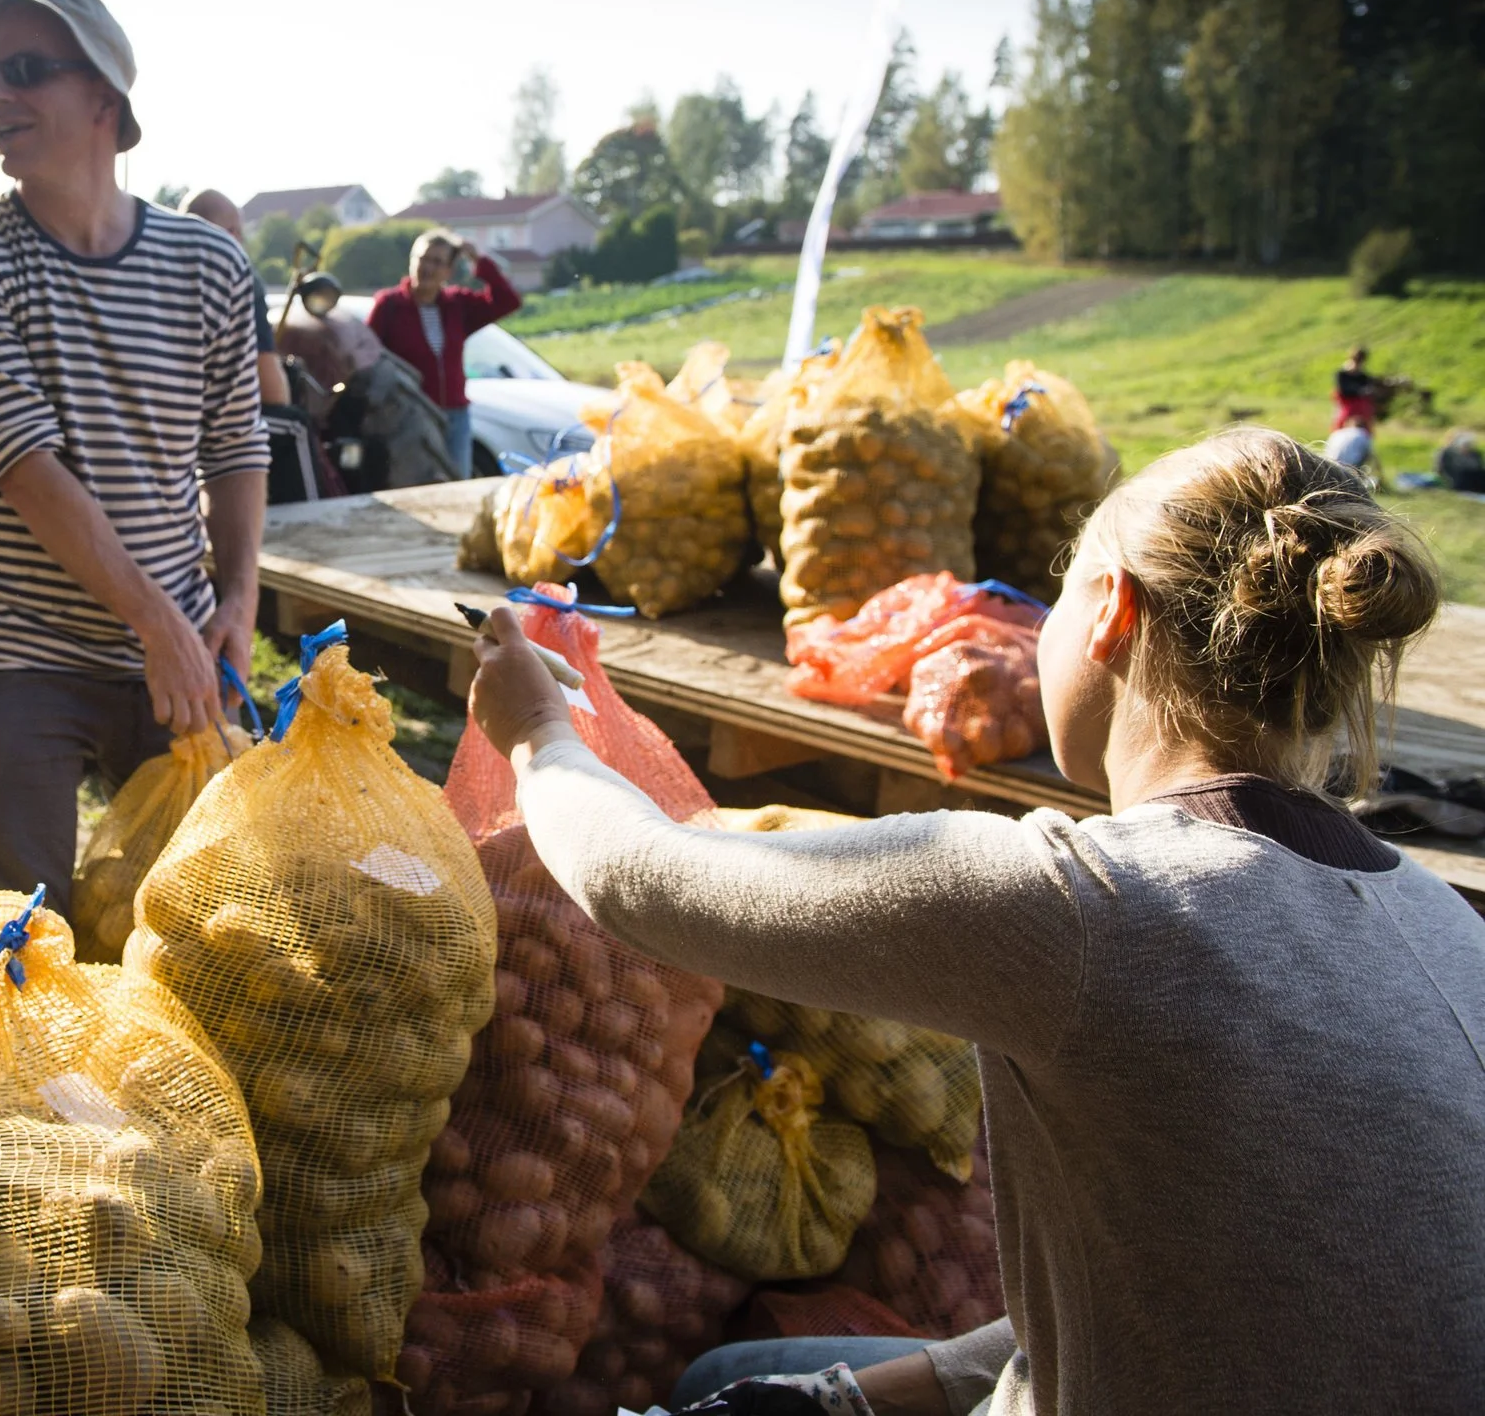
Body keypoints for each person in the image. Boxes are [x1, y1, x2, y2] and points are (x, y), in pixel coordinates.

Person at [467, 428, 1483, 1415]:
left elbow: (642, 879)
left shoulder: (1090, 907)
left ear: (1108, 616)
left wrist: (539, 733)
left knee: (704, 1380)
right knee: (770, 1373)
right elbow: (1208, 1288)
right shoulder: (1451, 928)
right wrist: (859, 1395)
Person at [0, 0, 268, 1003]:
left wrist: (234, 599)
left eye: (25, 69)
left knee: (202, 934)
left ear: (105, 96)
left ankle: (146, 1149)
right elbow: (24, 468)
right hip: (15, 652)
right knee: (21, 940)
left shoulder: (205, 264)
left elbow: (236, 444)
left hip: (179, 647)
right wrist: (158, 618)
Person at [368, 227, 521, 476]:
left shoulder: (457, 305)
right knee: (414, 487)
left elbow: (508, 301)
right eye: (422, 259)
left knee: (456, 486)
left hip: (455, 416)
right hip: (408, 415)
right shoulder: (389, 305)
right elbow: (366, 356)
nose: (427, 267)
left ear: (448, 271)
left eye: (437, 262)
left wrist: (477, 260)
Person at [180, 188, 292, 408]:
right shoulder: (236, 275)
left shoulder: (156, 271)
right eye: (238, 232)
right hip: (221, 418)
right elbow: (272, 390)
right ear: (230, 234)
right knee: (297, 427)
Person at [1334, 344, 1382, 432]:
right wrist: (1360, 391)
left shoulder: (1363, 376)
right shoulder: (1343, 374)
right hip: (1347, 408)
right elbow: (1343, 391)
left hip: (1361, 409)